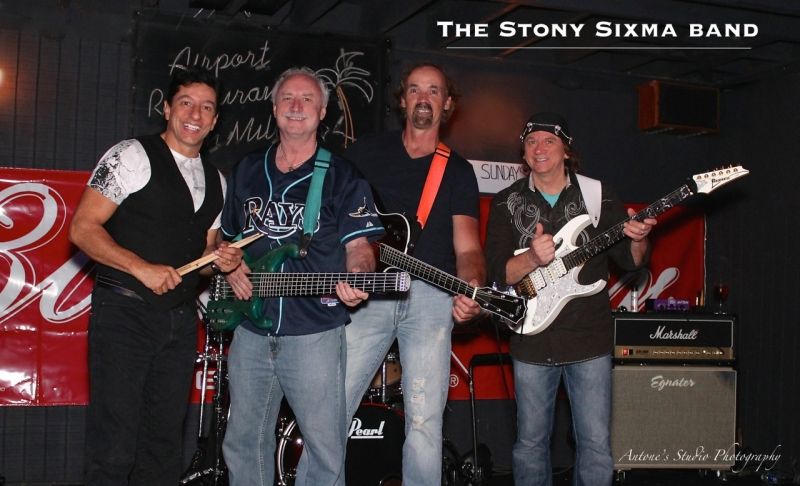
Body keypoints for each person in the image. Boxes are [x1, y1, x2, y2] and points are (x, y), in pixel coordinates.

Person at [69, 67, 243, 485]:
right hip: (124, 315)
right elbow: (82, 228)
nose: (195, 115)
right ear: (167, 108)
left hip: (179, 322)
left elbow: (203, 255)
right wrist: (140, 268)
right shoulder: (130, 155)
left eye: (207, 107)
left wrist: (219, 259)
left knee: (164, 449)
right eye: (186, 103)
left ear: (215, 120)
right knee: (114, 448)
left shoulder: (218, 181)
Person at [219, 66, 384, 486]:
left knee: (324, 451)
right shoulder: (246, 170)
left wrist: (359, 277)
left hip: (314, 331)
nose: (296, 106)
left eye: (307, 99)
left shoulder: (344, 176)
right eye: (287, 98)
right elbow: (225, 240)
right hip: (250, 329)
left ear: (322, 111)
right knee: (243, 443)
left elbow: (360, 248)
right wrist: (232, 264)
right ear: (274, 108)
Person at [483, 112, 657, 486]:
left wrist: (639, 238)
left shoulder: (597, 195)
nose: (539, 148)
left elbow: (630, 261)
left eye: (549, 140)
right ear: (523, 153)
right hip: (532, 339)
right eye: (531, 142)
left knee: (595, 444)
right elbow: (497, 273)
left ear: (566, 150)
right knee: (530, 445)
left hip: (588, 339)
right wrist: (532, 258)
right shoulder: (505, 202)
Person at [337, 62, 485, 486]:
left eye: (434, 90)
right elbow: (336, 222)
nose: (424, 98)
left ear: (447, 103)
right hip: (369, 293)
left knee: (424, 419)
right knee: (332, 406)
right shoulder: (364, 154)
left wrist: (473, 287)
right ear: (402, 100)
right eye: (416, 89)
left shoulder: (457, 170)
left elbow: (469, 249)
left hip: (430, 299)